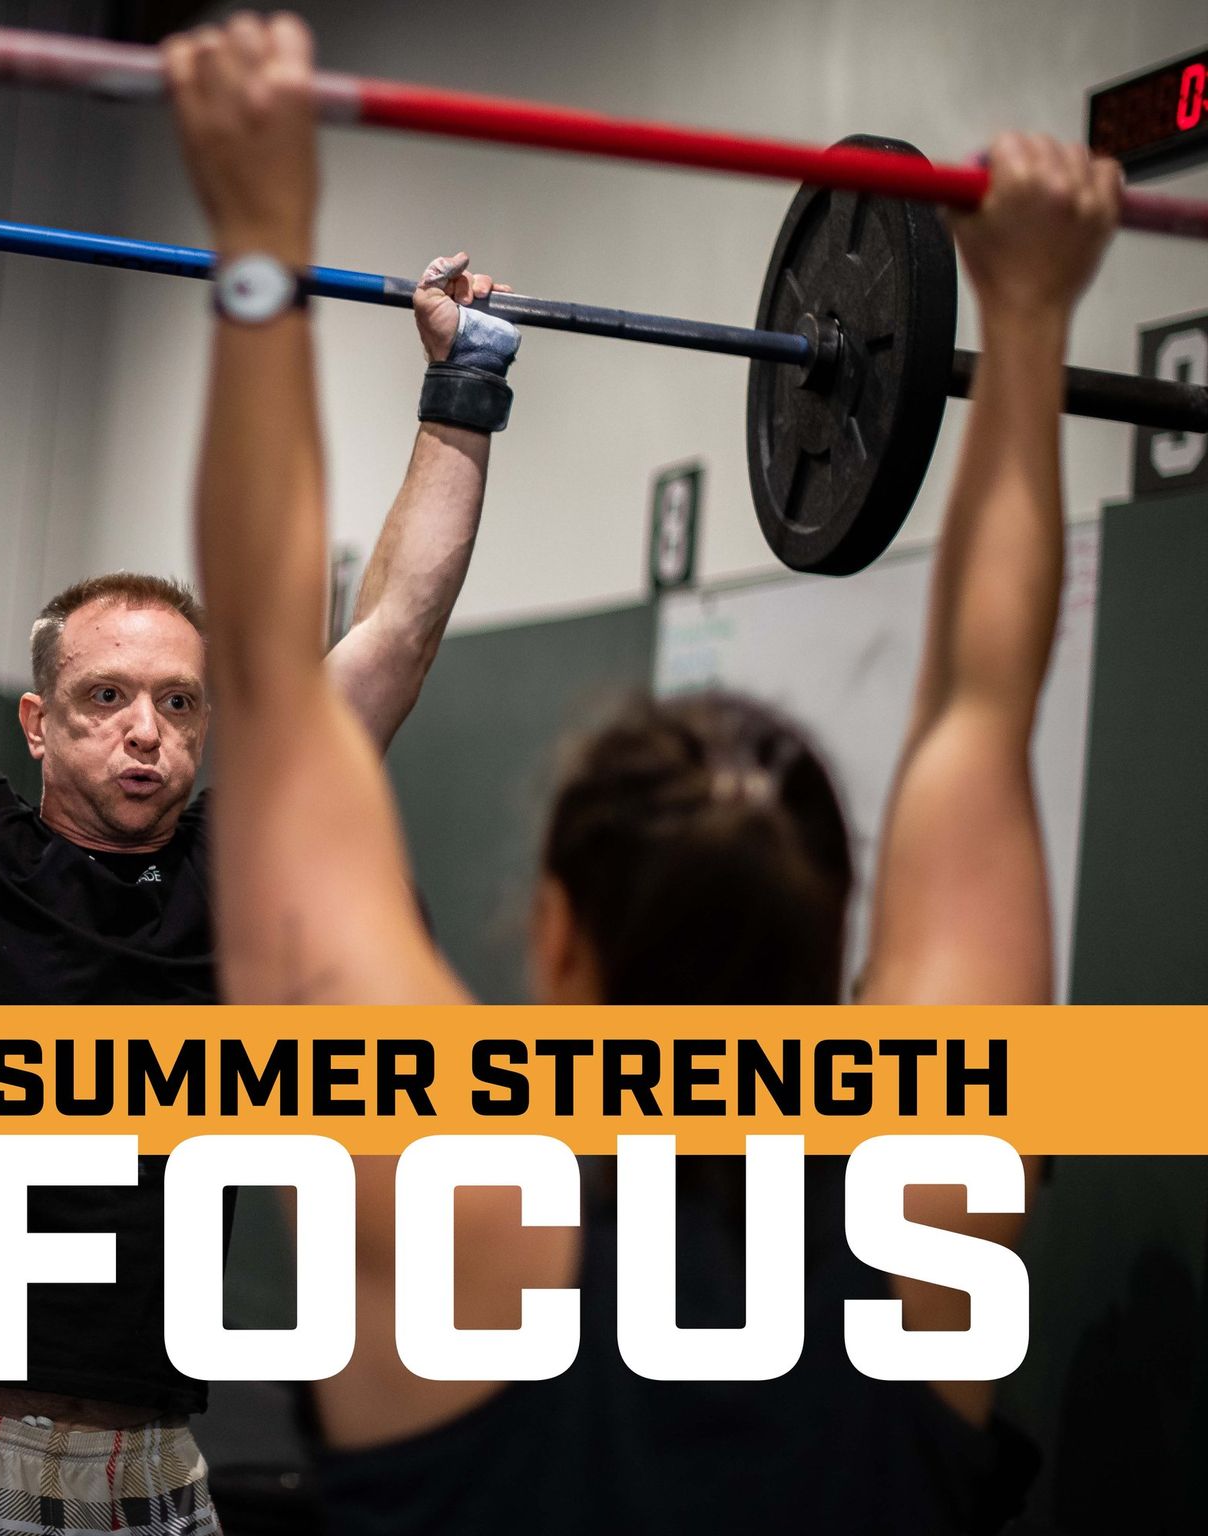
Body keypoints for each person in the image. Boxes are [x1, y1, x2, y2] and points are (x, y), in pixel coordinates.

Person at [166, 14, 1120, 1534]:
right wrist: (1033, 315)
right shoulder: (935, 1207)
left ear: (554, 936)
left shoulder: (447, 1220)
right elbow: (985, 708)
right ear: (840, 959)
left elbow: (278, 712)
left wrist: (261, 229)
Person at [0, 146, 519, 1529]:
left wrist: (462, 389)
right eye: (107, 700)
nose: (147, 732)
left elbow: (396, 632)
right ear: (42, 722)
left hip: (154, 1469)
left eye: (179, 702)